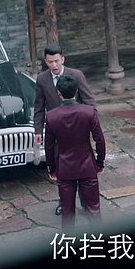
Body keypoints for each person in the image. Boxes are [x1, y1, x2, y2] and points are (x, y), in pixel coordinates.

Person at [33, 43, 96, 215]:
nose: (54, 65)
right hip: (57, 130)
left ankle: (86, 201)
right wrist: (38, 130)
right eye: (50, 62)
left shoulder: (76, 75)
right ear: (45, 61)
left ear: (62, 59)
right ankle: (64, 201)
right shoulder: (42, 79)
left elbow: (89, 102)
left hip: (78, 128)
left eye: (56, 61)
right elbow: (39, 106)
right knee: (61, 167)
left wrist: (92, 124)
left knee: (83, 165)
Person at [45, 74, 105, 230]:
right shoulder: (89, 112)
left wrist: (52, 169)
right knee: (93, 208)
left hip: (65, 168)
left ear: (59, 93)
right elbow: (100, 140)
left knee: (67, 212)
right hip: (87, 165)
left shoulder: (51, 116)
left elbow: (49, 147)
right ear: (77, 90)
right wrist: (100, 163)